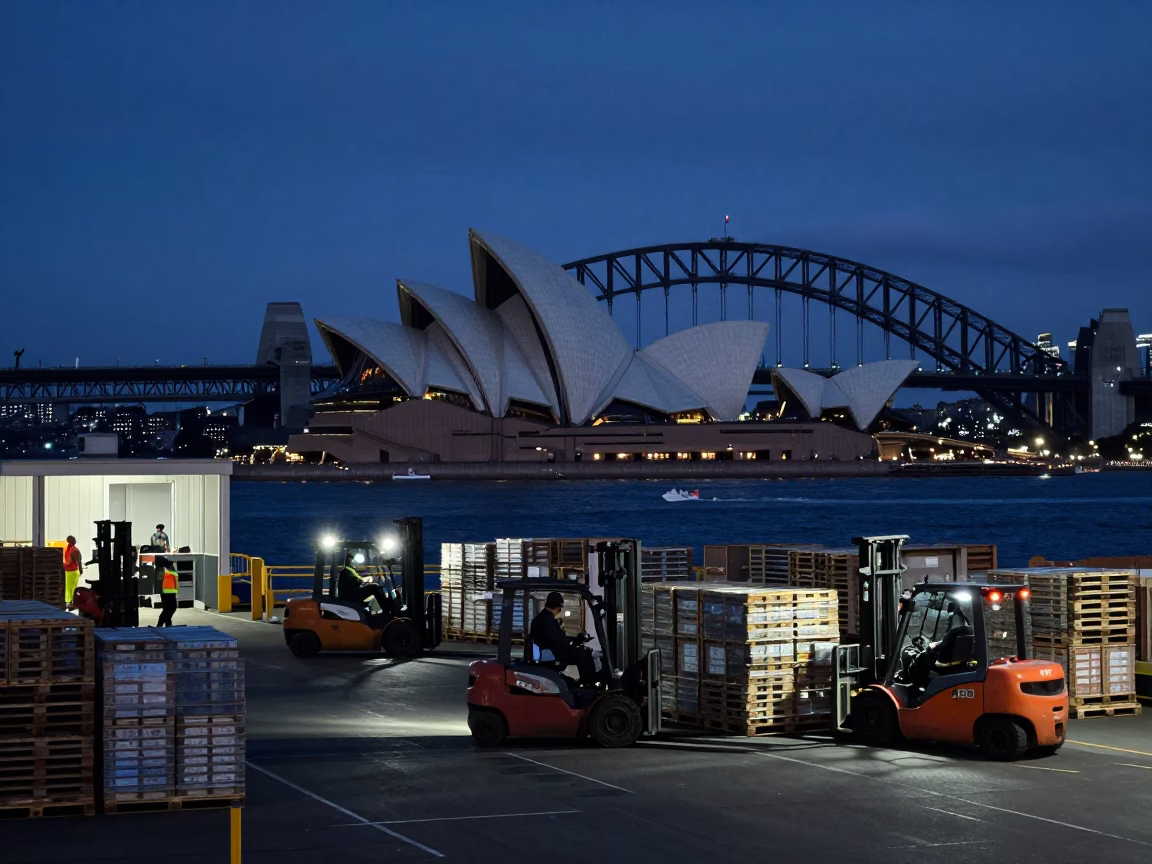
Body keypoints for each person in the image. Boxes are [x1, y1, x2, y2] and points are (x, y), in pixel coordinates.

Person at [529, 592, 597, 686]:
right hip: (553, 652)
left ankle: (585, 682)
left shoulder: (544, 618)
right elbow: (556, 638)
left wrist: (574, 640)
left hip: (552, 650)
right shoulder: (547, 620)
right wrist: (573, 640)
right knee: (584, 654)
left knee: (581, 651)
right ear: (558, 607)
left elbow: (557, 637)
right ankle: (588, 684)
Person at [156, 556, 179, 627]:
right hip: (166, 592)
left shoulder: (170, 569)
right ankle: (161, 624)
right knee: (169, 609)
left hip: (171, 592)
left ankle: (167, 625)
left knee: (169, 609)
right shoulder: (163, 570)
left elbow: (175, 579)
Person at [62, 535, 84, 607]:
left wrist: (80, 569)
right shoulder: (72, 549)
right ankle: (70, 601)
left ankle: (70, 601)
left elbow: (77, 561)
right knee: (71, 587)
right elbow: (78, 561)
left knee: (69, 587)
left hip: (71, 571)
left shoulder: (72, 549)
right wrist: (80, 569)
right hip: (71, 571)